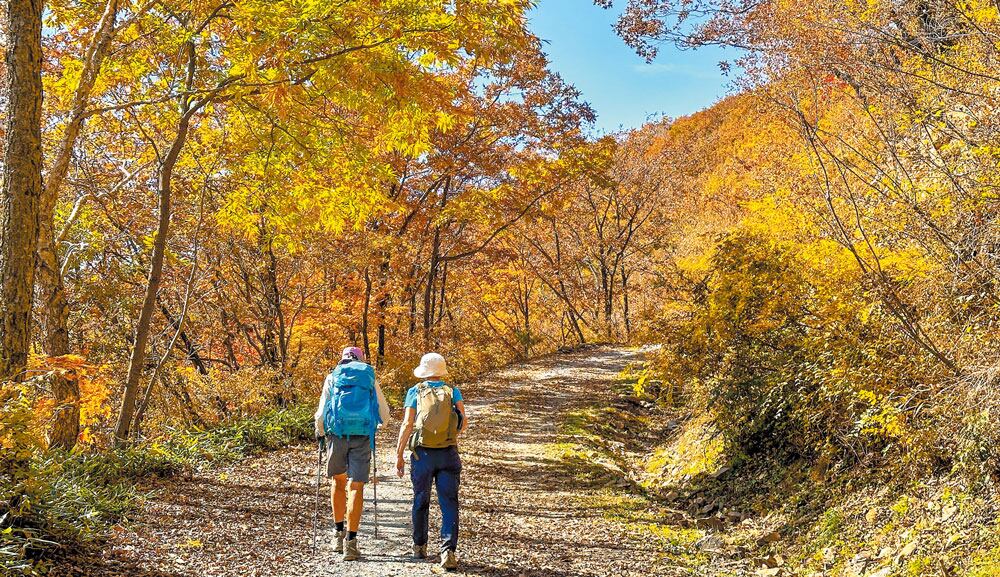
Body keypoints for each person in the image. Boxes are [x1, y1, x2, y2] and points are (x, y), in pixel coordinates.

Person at [314, 346, 390, 561]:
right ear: (361, 360)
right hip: (362, 436)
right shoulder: (369, 378)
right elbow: (384, 413)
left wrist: (321, 432)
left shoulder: (332, 377)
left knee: (338, 483)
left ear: (343, 360)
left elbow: (321, 412)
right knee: (356, 486)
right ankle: (351, 543)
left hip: (337, 435)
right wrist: (379, 425)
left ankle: (337, 535)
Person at [395, 352, 468, 572]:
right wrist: (448, 435)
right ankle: (448, 551)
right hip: (448, 454)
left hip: (422, 456)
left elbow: (407, 424)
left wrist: (399, 454)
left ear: (424, 372)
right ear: (441, 371)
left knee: (420, 500)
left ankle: (419, 546)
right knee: (449, 503)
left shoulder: (414, 391)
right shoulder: (452, 391)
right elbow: (463, 422)